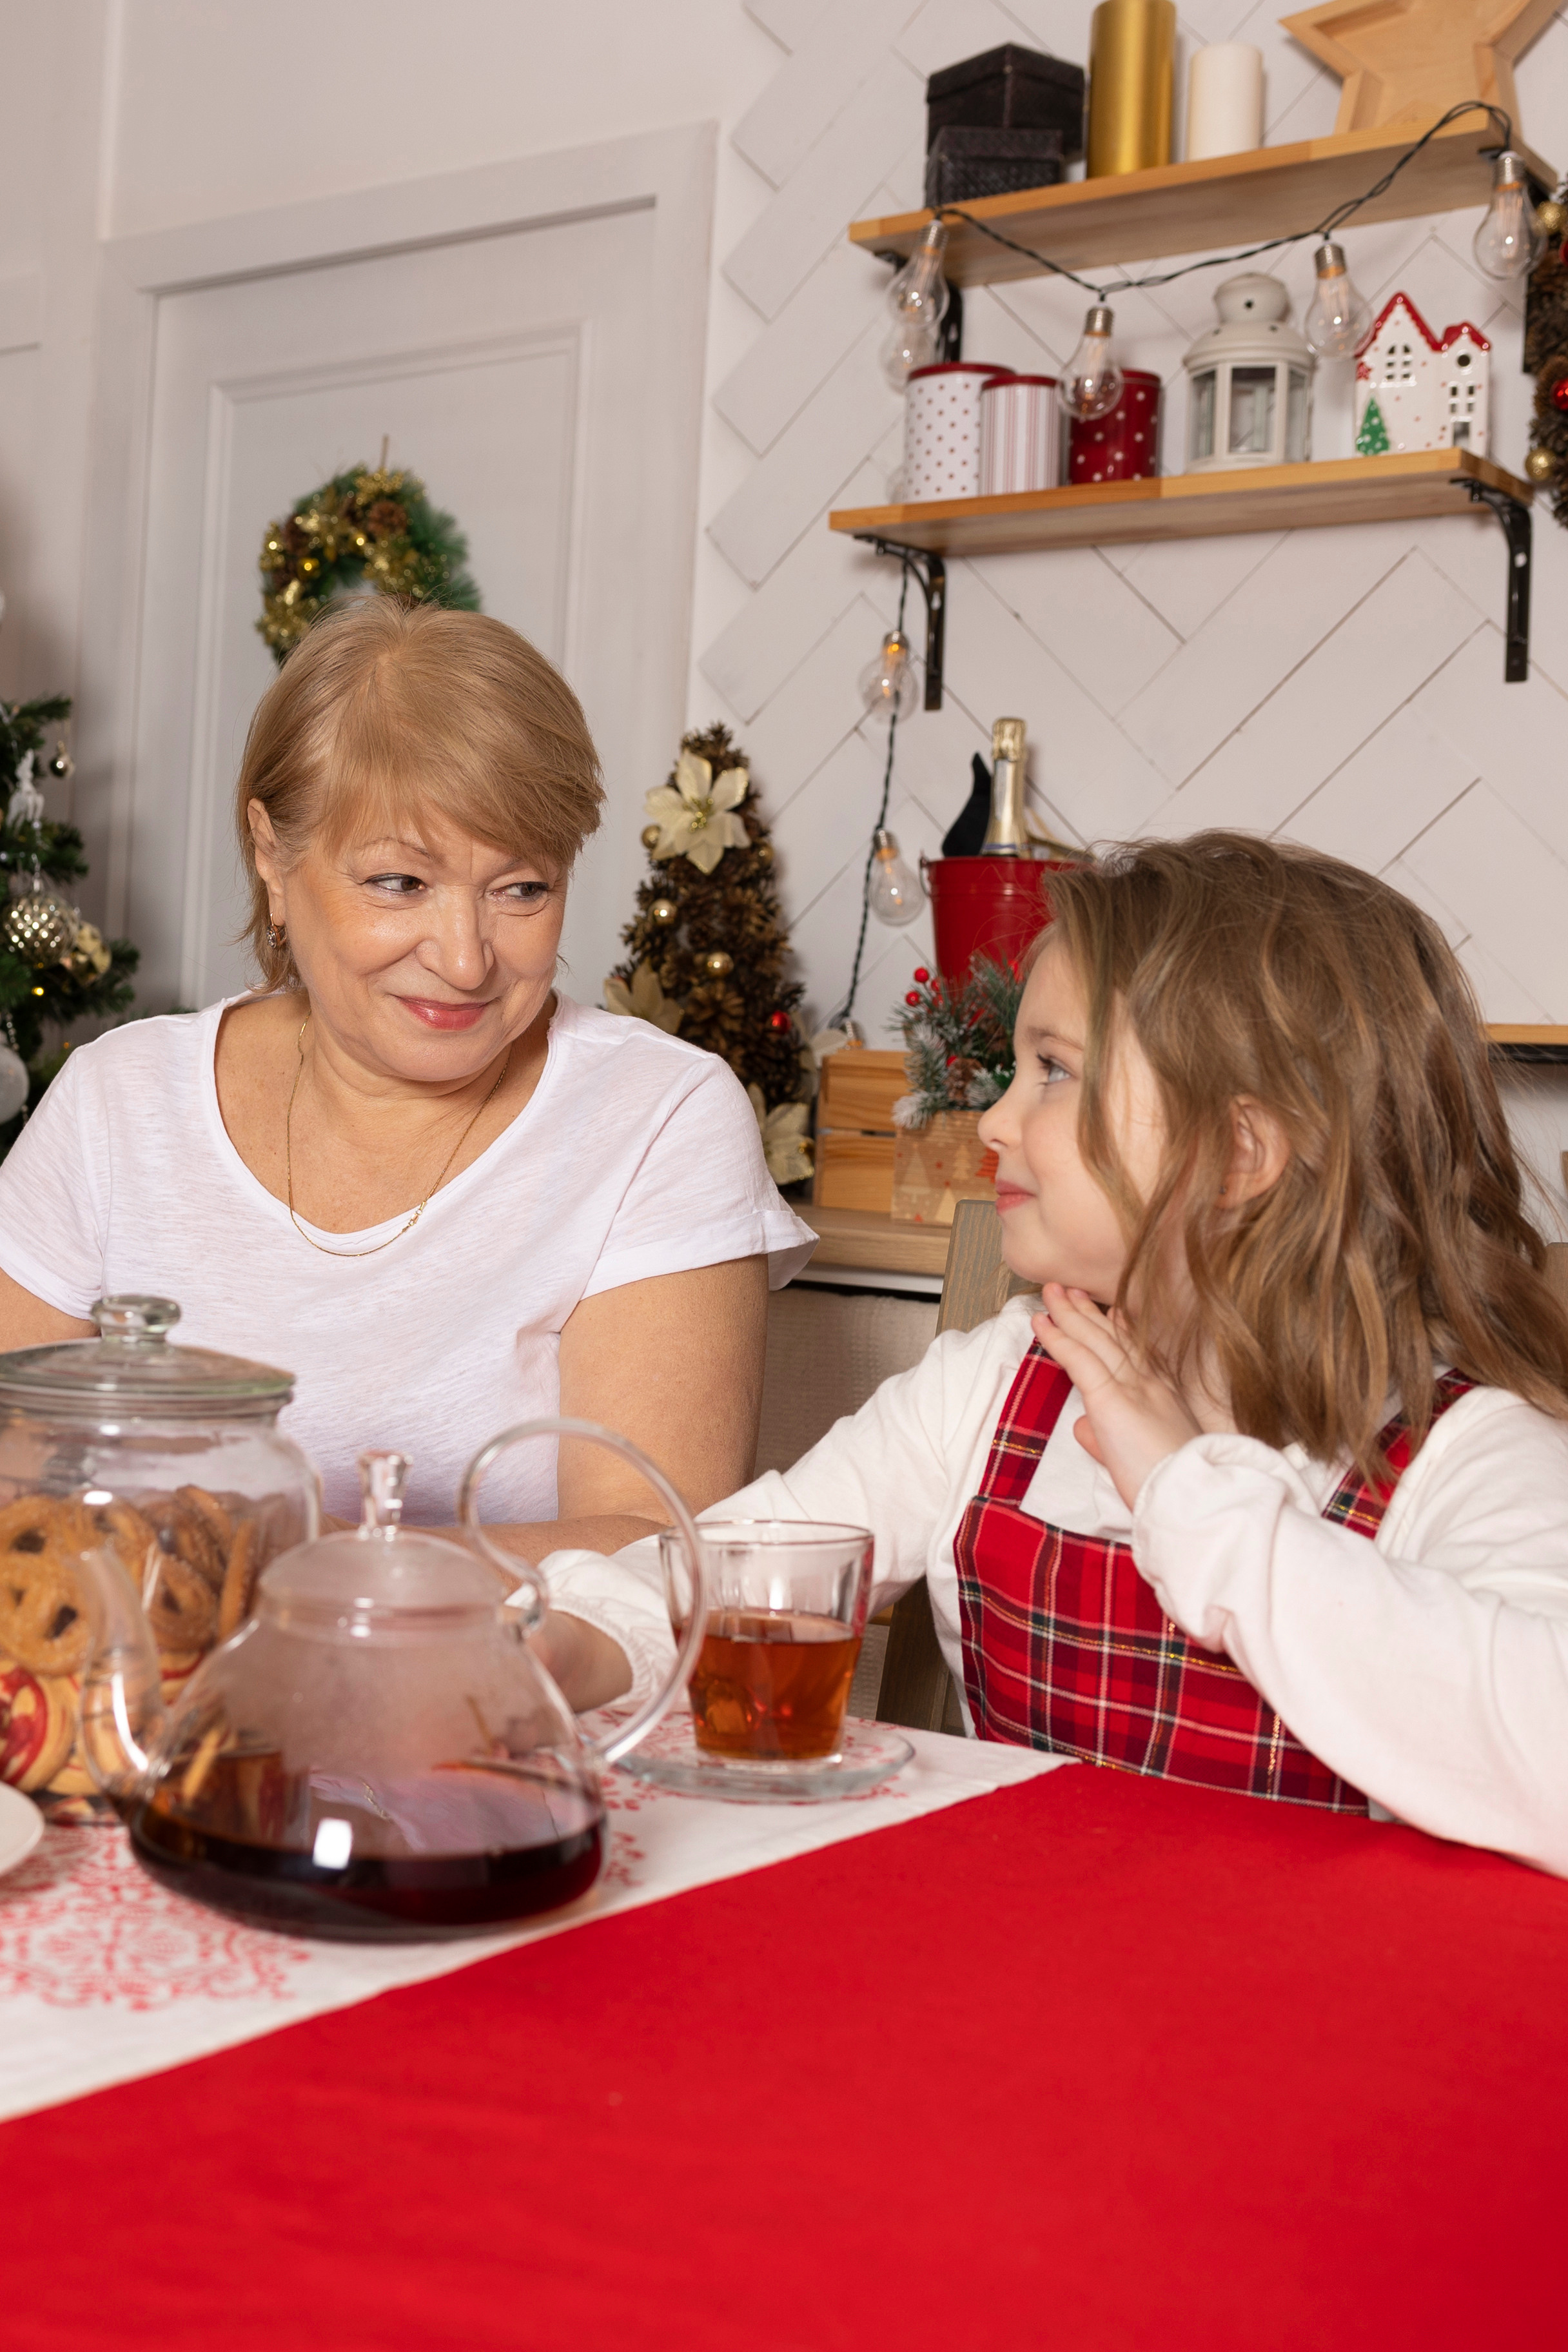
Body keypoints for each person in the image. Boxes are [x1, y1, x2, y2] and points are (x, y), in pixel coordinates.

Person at [538, 833, 1568, 1876]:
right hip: (1019, 1983)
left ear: (1241, 1153)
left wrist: (1185, 1487)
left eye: (1054, 1072)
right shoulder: (993, 1386)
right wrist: (554, 1647)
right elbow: (737, 1568)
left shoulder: (1466, 1453)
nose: (992, 1121)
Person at [0, 599, 813, 1548]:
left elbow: (646, 1545)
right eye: (400, 883)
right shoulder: (117, 1103)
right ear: (273, 853)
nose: (467, 960)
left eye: (522, 889)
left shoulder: (657, 1118)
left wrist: (305, 1559)